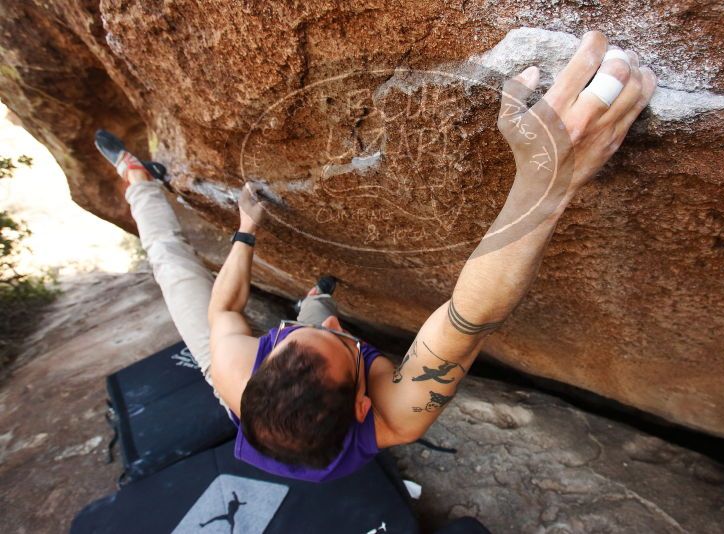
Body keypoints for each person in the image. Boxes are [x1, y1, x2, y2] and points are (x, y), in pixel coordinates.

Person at [95, 31, 656, 483]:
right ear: (366, 404)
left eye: (290, 338)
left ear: (268, 360)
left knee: (171, 266)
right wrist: (545, 180)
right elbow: (469, 318)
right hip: (315, 397)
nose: (338, 329)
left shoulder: (237, 373)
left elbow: (222, 312)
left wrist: (245, 231)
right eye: (342, 341)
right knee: (317, 316)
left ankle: (140, 182)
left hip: (264, 378)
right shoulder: (397, 416)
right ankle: (316, 307)